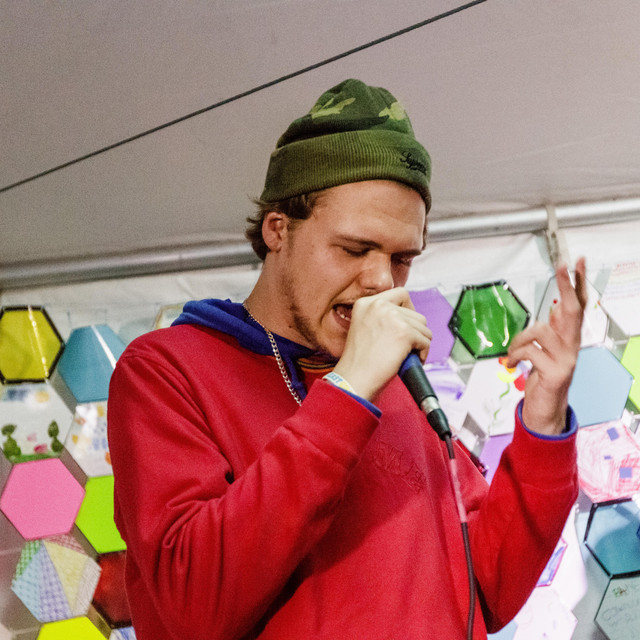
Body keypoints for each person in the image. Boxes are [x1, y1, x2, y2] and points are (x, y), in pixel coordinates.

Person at [108, 78, 587, 640]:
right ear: (278, 230)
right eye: (355, 249)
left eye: (403, 258)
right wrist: (348, 391)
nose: (382, 281)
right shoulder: (166, 368)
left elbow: (487, 590)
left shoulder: (396, 380)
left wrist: (544, 422)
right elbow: (192, 606)